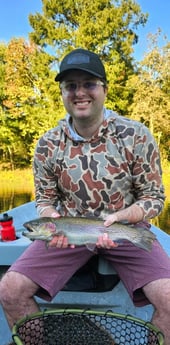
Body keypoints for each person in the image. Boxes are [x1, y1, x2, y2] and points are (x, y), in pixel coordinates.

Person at [0, 48, 170, 344]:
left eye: (89, 84)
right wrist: (52, 219)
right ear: (63, 92)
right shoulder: (47, 144)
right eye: (71, 86)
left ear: (104, 89)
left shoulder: (136, 135)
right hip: (67, 233)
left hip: (127, 229)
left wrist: (122, 217)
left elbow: (153, 198)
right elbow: (45, 198)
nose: (80, 92)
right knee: (9, 290)